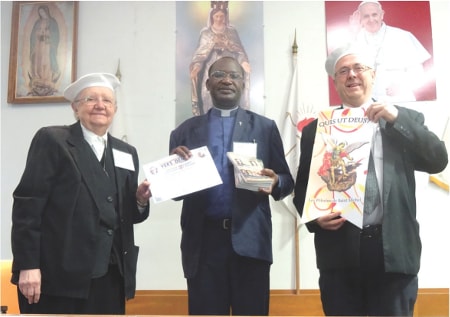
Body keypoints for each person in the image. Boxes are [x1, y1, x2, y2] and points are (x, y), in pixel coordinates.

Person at [293, 44, 448, 316]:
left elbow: (437, 159)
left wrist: (395, 117)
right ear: (335, 81)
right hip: (339, 256)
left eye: (358, 68)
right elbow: (303, 191)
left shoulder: (403, 118)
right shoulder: (318, 129)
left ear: (372, 75)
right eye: (343, 71)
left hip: (394, 253)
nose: (352, 75)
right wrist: (315, 218)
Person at [11, 73, 152, 315]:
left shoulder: (127, 152)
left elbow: (123, 216)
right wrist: (28, 265)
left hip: (110, 275)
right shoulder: (53, 140)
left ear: (115, 109)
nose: (100, 105)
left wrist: (139, 200)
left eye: (107, 101)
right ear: (75, 107)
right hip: (57, 277)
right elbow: (28, 207)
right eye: (90, 99)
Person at [170, 56, 294, 315]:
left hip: (250, 242)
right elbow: (175, 193)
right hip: (202, 244)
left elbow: (286, 180)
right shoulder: (184, 132)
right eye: (219, 75)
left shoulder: (265, 127)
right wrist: (174, 172)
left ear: (243, 83)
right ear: (207, 83)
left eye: (234, 75)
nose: (226, 80)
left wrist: (275, 181)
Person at [348, 0, 431, 102]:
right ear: (360, 18)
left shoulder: (402, 36)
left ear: (381, 15)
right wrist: (353, 33)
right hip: (367, 102)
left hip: (400, 99)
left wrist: (402, 86)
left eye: (374, 15)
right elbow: (344, 69)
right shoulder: (355, 38)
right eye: (366, 16)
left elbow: (418, 72)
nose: (371, 19)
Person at [190, 1, 251, 116]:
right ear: (212, 17)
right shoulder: (206, 34)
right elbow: (199, 55)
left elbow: (239, 51)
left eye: (221, 16)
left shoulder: (232, 32)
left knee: (231, 94)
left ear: (225, 17)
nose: (219, 19)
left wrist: (243, 62)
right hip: (211, 68)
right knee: (208, 95)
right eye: (216, 16)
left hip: (230, 65)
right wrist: (197, 66)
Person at [28, 5, 60, 96]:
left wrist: (48, 35)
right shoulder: (37, 22)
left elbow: (56, 35)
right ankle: (38, 78)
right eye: (40, 12)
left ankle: (47, 79)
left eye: (43, 12)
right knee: (38, 61)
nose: (42, 14)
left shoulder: (52, 22)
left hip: (48, 46)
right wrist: (38, 34)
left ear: (47, 12)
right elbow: (33, 35)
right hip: (38, 46)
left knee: (46, 61)